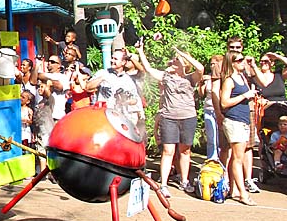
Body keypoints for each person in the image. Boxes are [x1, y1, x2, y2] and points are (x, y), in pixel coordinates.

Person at [137, 45, 204, 197]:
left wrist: (183, 55)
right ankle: (164, 184)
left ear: (184, 64)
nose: (173, 61)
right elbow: (148, 68)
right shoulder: (165, 77)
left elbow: (200, 68)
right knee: (168, 151)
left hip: (188, 117)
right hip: (169, 117)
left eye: (176, 60)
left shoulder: (190, 78)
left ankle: (184, 181)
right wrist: (141, 50)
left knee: (185, 150)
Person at [219, 51, 258, 206]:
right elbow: (224, 103)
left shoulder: (242, 77)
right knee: (238, 158)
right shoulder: (229, 80)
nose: (243, 62)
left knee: (236, 157)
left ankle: (233, 189)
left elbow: (253, 73)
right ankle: (243, 193)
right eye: (240, 60)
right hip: (234, 121)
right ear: (232, 63)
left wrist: (250, 63)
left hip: (243, 120)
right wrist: (244, 96)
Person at [86, 48, 145, 138]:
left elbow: (135, 100)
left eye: (115, 59)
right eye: (112, 58)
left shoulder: (128, 79)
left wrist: (125, 101)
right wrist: (101, 78)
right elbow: (87, 87)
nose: (112, 60)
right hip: (103, 117)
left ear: (123, 62)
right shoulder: (103, 73)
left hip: (120, 118)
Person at [198, 55, 225, 160]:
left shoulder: (225, 77)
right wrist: (201, 82)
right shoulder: (208, 77)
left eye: (215, 63)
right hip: (209, 109)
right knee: (211, 138)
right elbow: (201, 94)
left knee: (221, 138)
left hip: (222, 110)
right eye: (211, 64)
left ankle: (222, 160)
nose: (212, 66)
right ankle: (212, 160)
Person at [35, 55, 71, 125]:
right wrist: (37, 64)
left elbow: (60, 87)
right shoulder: (44, 74)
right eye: (49, 61)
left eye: (52, 62)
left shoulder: (63, 77)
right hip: (42, 115)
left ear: (59, 65)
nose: (49, 63)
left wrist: (48, 80)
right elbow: (33, 80)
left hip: (56, 116)